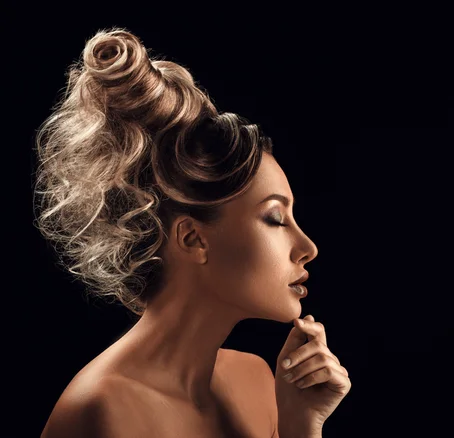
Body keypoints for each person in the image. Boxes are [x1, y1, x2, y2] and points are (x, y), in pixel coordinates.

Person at [34, 27, 351, 438]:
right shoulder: (105, 413)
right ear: (192, 239)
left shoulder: (257, 382)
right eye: (275, 219)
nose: (307, 247)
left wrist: (302, 424)